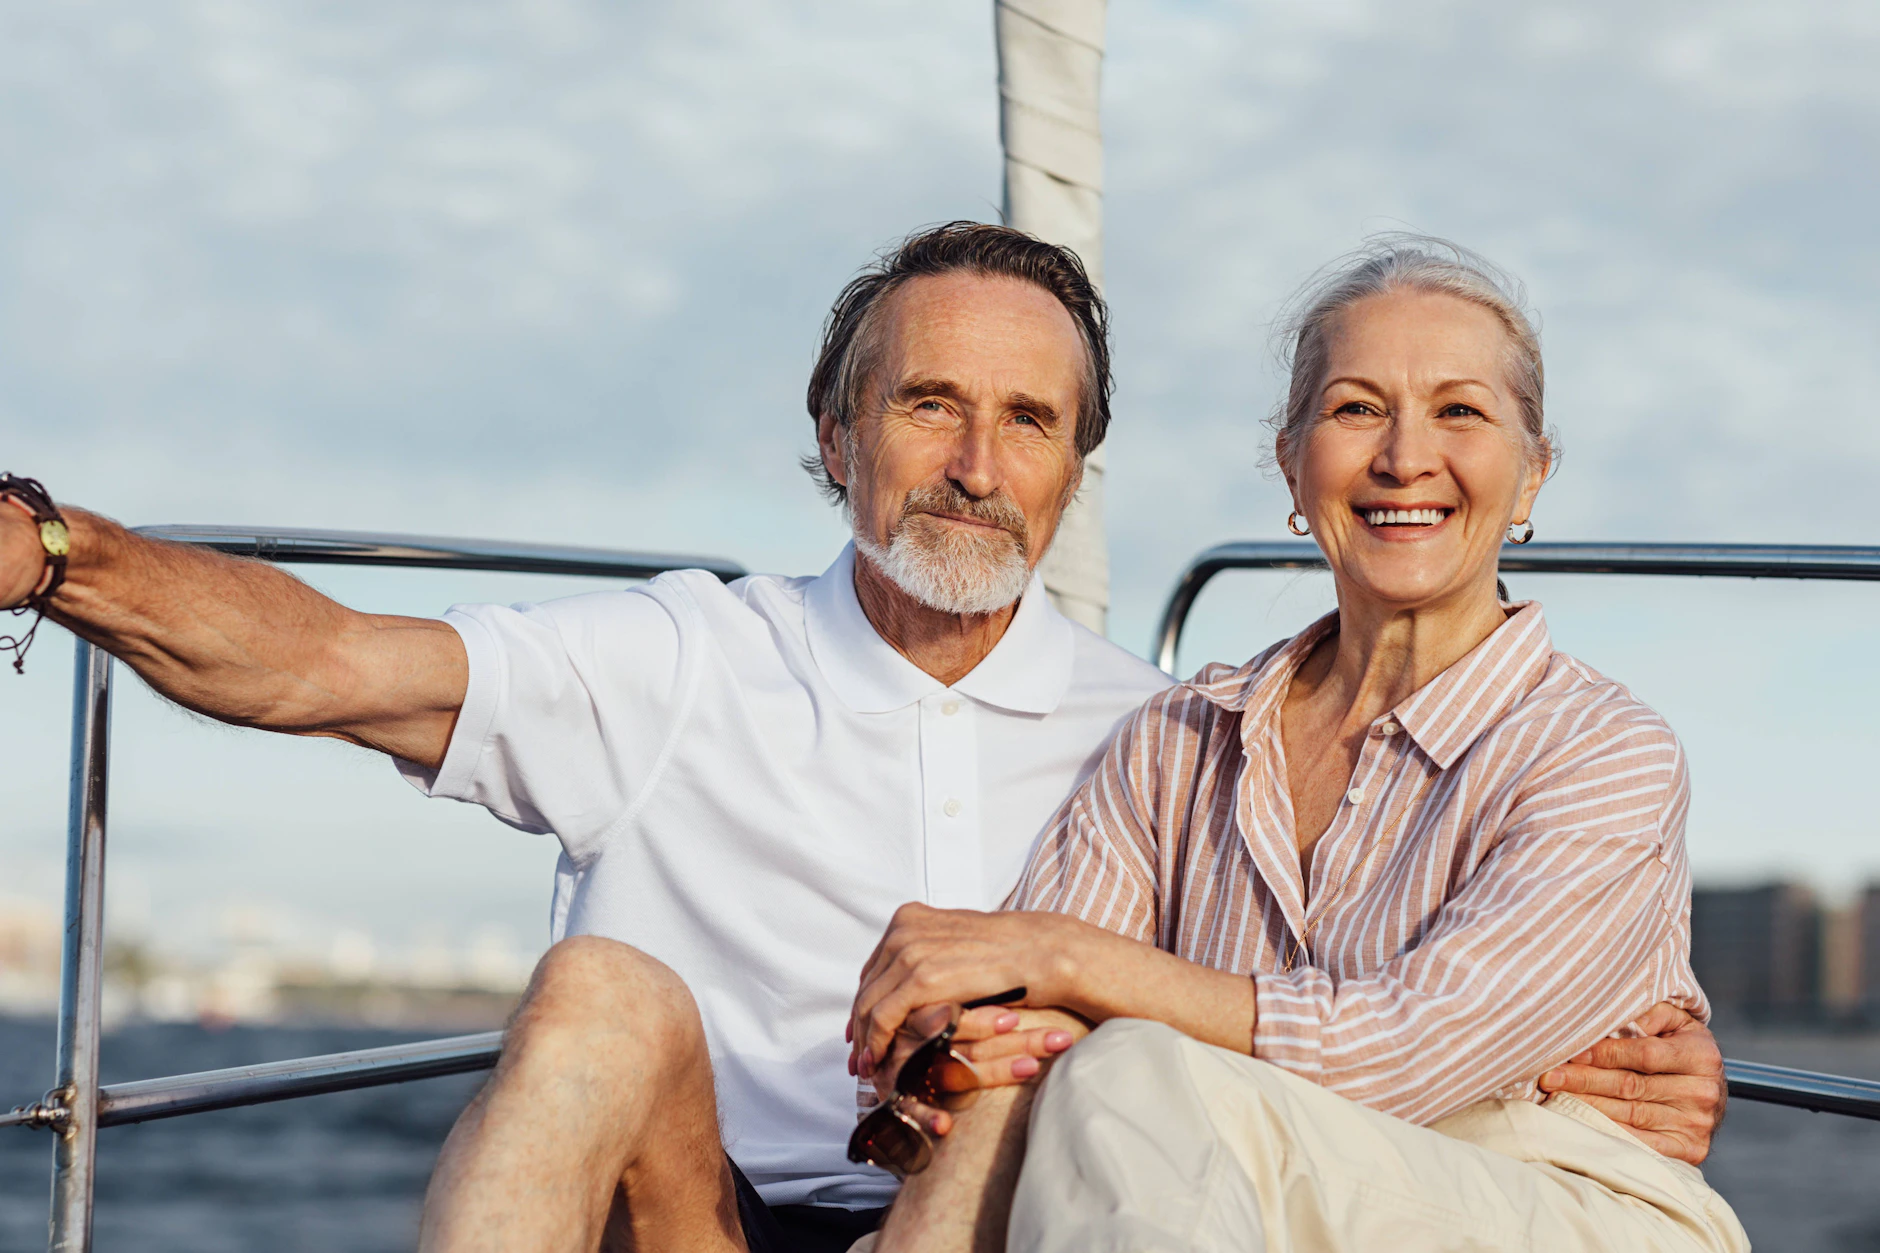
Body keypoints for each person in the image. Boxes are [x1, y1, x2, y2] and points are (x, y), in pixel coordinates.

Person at [0, 226, 1723, 1253]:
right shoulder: (692, 653)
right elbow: (325, 663)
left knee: (1038, 1056)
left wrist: (1614, 1059)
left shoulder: (1154, 718)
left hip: (989, 1218)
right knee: (604, 990)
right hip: (703, 1211)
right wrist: (61, 551)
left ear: (1072, 469)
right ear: (837, 441)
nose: (978, 458)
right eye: (929, 404)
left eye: (1030, 419)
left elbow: (1341, 1023)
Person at [847, 237, 1746, 1253]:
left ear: (1530, 473)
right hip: (1232, 1188)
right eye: (1355, 408)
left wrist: (1066, 956)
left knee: (1126, 1068)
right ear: (1291, 460)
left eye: (1458, 410)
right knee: (1081, 1075)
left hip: (1546, 1196)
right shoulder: (1176, 742)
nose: (1404, 456)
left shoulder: (1600, 751)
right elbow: (1011, 1027)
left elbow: (1400, 1055)